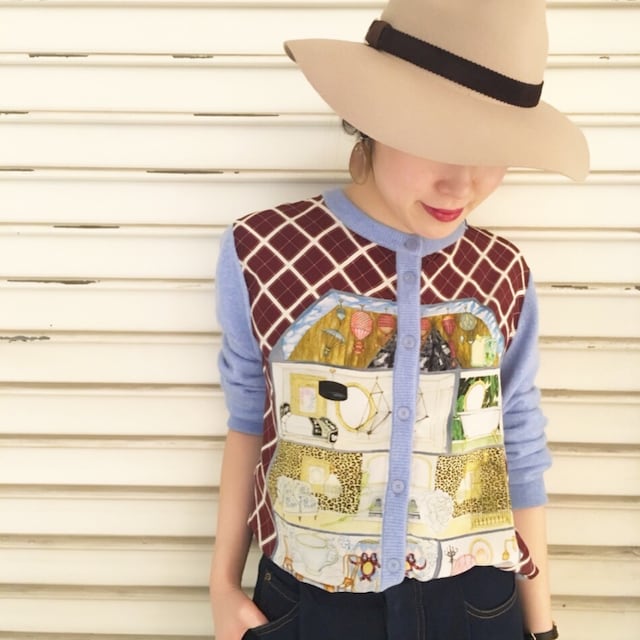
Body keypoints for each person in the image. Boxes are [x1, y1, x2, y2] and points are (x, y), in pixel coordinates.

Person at [209, 1, 589, 639]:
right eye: (439, 140)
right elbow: (249, 421)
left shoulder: (504, 271)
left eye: (493, 150)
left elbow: (518, 446)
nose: (462, 184)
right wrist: (222, 586)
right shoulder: (264, 251)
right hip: (308, 604)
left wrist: (542, 626)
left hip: (479, 605)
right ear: (371, 116)